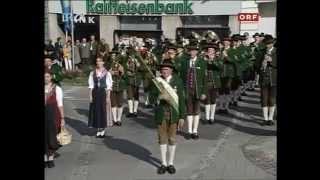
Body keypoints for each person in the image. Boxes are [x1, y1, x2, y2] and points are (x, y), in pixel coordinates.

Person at [150, 59, 186, 174]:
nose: (164, 71)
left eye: (166, 69)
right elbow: (151, 98)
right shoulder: (157, 82)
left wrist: (182, 116)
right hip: (161, 114)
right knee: (162, 138)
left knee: (172, 139)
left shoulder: (178, 81)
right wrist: (159, 97)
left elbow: (181, 100)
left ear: (171, 70)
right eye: (162, 69)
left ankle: (171, 163)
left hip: (174, 114)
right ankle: (163, 163)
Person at [179, 43, 207, 140]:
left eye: (194, 51)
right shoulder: (184, 62)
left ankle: (195, 131)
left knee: (197, 111)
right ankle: (189, 131)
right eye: (190, 51)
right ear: (188, 52)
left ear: (197, 52)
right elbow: (181, 78)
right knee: (189, 110)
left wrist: (204, 92)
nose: (192, 52)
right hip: (187, 90)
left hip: (198, 90)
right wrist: (181, 90)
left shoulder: (202, 62)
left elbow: (205, 79)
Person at [88, 57, 113, 138]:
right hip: (95, 93)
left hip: (103, 93)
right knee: (96, 111)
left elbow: (109, 86)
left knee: (103, 110)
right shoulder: (92, 73)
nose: (98, 63)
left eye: (100, 61)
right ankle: (98, 129)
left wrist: (108, 97)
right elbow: (91, 85)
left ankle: (103, 129)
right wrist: (90, 96)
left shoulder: (107, 73)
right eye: (97, 61)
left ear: (103, 62)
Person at [45, 70, 65, 168]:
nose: (46, 78)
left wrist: (62, 118)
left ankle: (51, 158)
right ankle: (45, 157)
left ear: (51, 77)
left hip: (53, 115)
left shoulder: (57, 89)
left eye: (48, 76)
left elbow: (60, 105)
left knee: (52, 136)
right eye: (45, 77)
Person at [203, 42, 223, 124]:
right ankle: (207, 118)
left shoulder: (218, 58)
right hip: (206, 82)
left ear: (214, 51)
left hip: (215, 82)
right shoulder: (203, 58)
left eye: (212, 50)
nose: (210, 51)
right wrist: (205, 60)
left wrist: (212, 60)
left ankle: (212, 117)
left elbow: (220, 67)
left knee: (213, 100)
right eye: (209, 50)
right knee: (207, 100)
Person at [259, 35, 277, 126]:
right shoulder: (262, 52)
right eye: (266, 44)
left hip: (274, 79)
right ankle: (265, 119)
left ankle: (270, 118)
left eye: (269, 44)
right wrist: (262, 64)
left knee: (272, 99)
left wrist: (272, 60)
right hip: (263, 79)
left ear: (272, 43)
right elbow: (256, 65)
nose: (267, 46)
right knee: (264, 99)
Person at [109, 50, 126, 126]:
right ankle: (114, 119)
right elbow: (104, 73)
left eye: (115, 56)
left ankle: (119, 119)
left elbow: (124, 75)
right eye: (112, 56)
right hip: (111, 85)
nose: (113, 57)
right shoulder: (108, 64)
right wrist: (109, 72)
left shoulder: (121, 64)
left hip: (120, 85)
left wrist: (122, 72)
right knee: (113, 103)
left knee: (120, 103)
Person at [124, 48, 141, 117]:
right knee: (130, 96)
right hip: (129, 79)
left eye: (133, 54)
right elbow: (124, 68)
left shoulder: (139, 59)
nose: (131, 55)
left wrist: (137, 62)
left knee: (136, 96)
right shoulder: (126, 60)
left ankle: (135, 111)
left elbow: (141, 68)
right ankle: (131, 111)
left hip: (136, 79)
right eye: (130, 54)